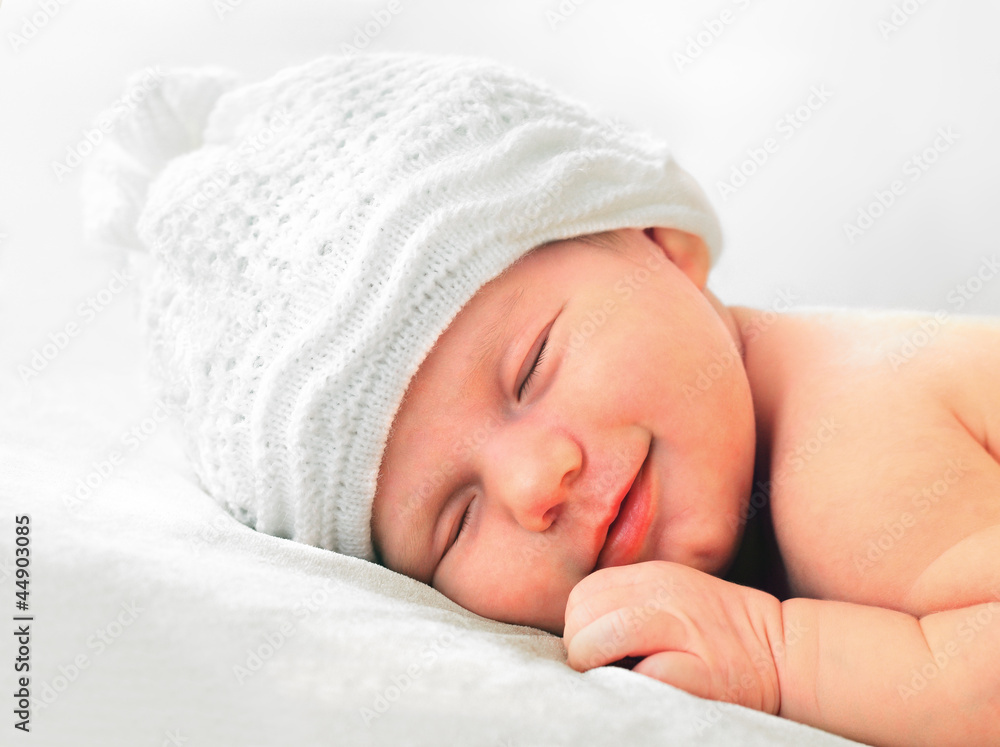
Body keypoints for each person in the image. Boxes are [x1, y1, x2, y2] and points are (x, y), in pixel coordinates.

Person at [86, 51, 1000, 746]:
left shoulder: (846, 449)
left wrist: (778, 657)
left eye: (529, 369)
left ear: (660, 240)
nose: (534, 483)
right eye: (455, 519)